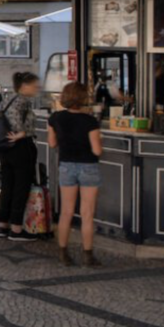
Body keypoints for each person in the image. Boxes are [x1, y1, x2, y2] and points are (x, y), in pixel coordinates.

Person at [49, 81, 104, 267]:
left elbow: (52, 143)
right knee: (87, 213)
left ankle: (63, 253)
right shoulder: (90, 121)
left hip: (66, 166)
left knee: (66, 212)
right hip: (88, 167)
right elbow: (97, 150)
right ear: (83, 98)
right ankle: (88, 255)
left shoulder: (55, 118)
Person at [0, 71, 40, 243]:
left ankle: (2, 225)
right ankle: (16, 229)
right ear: (25, 86)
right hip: (21, 147)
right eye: (35, 86)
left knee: (7, 186)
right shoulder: (23, 101)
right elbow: (17, 122)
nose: (37, 89)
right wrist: (21, 133)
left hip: (6, 148)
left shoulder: (8, 99)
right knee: (21, 188)